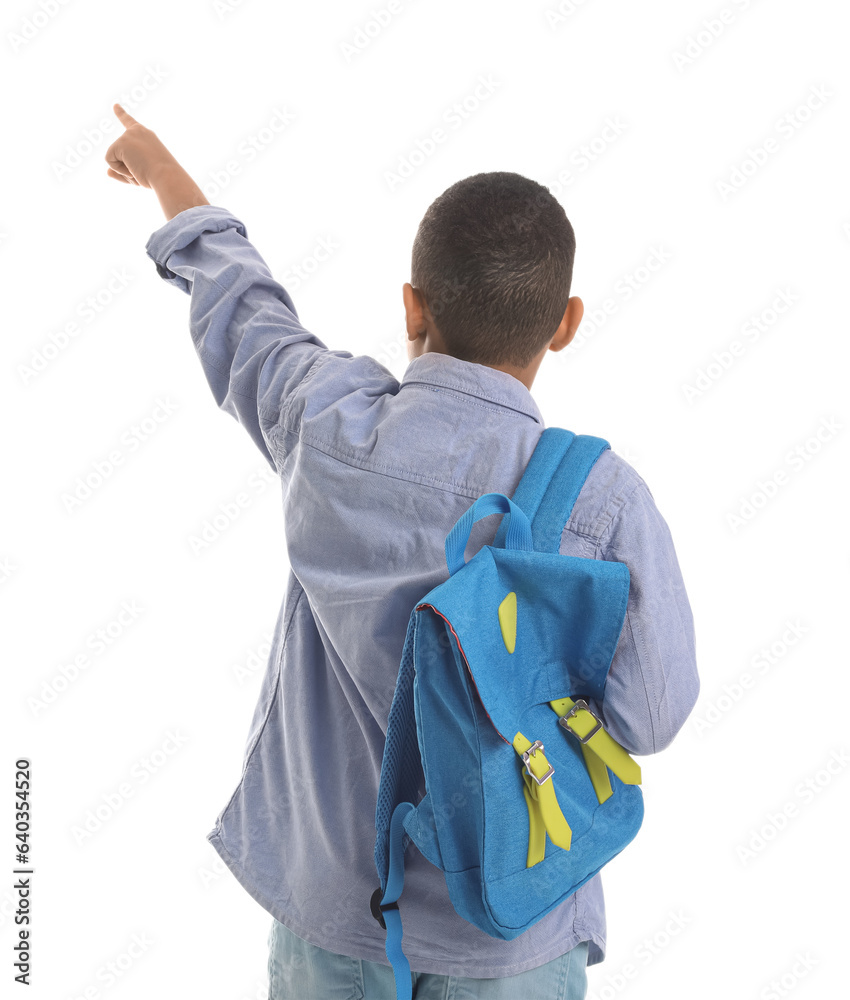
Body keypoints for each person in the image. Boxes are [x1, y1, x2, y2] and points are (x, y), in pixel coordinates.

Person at [105, 103, 699, 1000]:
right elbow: (650, 719)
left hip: (334, 924)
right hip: (514, 933)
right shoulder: (602, 499)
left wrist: (160, 171)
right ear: (566, 322)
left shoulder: (324, 419)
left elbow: (245, 307)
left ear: (412, 304)